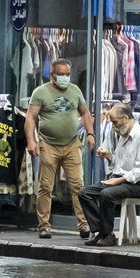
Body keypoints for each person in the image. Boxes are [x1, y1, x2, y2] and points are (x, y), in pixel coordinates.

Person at [25, 58, 95, 240]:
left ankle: (83, 224)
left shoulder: (75, 90)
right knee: (46, 186)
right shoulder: (40, 92)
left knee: (78, 186)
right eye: (61, 74)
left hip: (72, 144)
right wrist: (31, 141)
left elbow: (85, 112)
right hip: (48, 144)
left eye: (67, 74)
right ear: (53, 75)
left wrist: (90, 133)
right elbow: (30, 118)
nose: (65, 77)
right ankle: (44, 225)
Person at [78, 103, 140, 247]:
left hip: (137, 184)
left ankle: (107, 236)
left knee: (107, 194)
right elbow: (118, 164)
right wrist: (108, 156)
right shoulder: (123, 136)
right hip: (120, 180)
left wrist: (117, 180)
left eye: (115, 122)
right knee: (85, 193)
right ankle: (102, 232)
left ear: (125, 118)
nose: (113, 126)